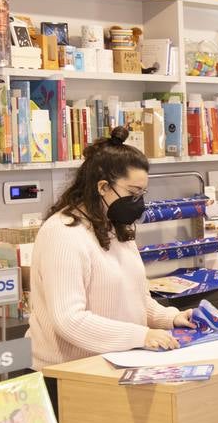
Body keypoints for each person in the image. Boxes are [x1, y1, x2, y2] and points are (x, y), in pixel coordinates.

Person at [29, 127, 197, 368]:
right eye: (132, 192)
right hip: (66, 373)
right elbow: (69, 320)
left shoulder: (115, 228)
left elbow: (136, 301)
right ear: (103, 187)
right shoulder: (63, 234)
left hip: (114, 363)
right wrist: (141, 336)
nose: (138, 201)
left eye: (142, 193)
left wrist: (172, 318)